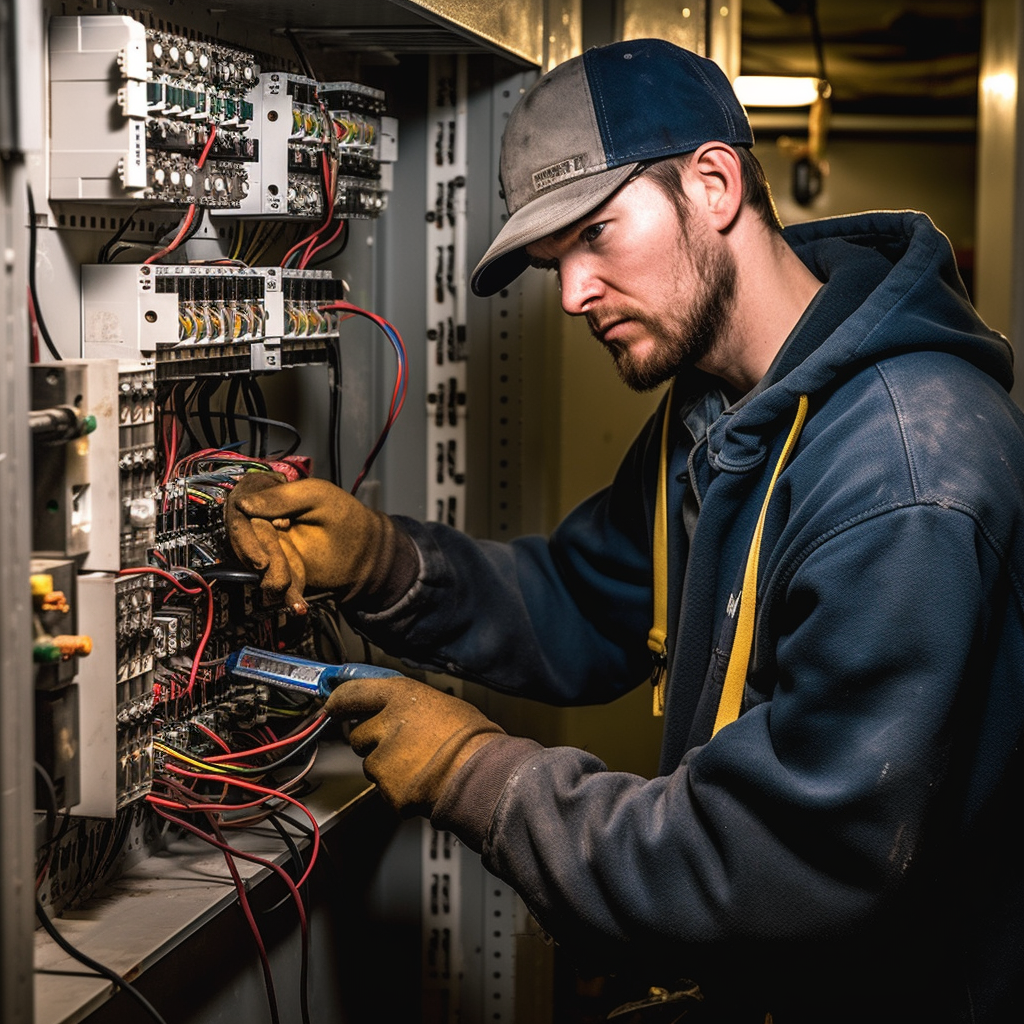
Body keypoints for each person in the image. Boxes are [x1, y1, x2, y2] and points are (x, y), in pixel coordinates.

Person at [226, 38, 1024, 1023]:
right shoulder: (729, 413)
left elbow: (774, 854)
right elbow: (584, 604)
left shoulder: (903, 471)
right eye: (554, 260)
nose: (570, 295)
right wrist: (380, 563)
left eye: (597, 233)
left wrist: (474, 772)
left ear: (715, 184)